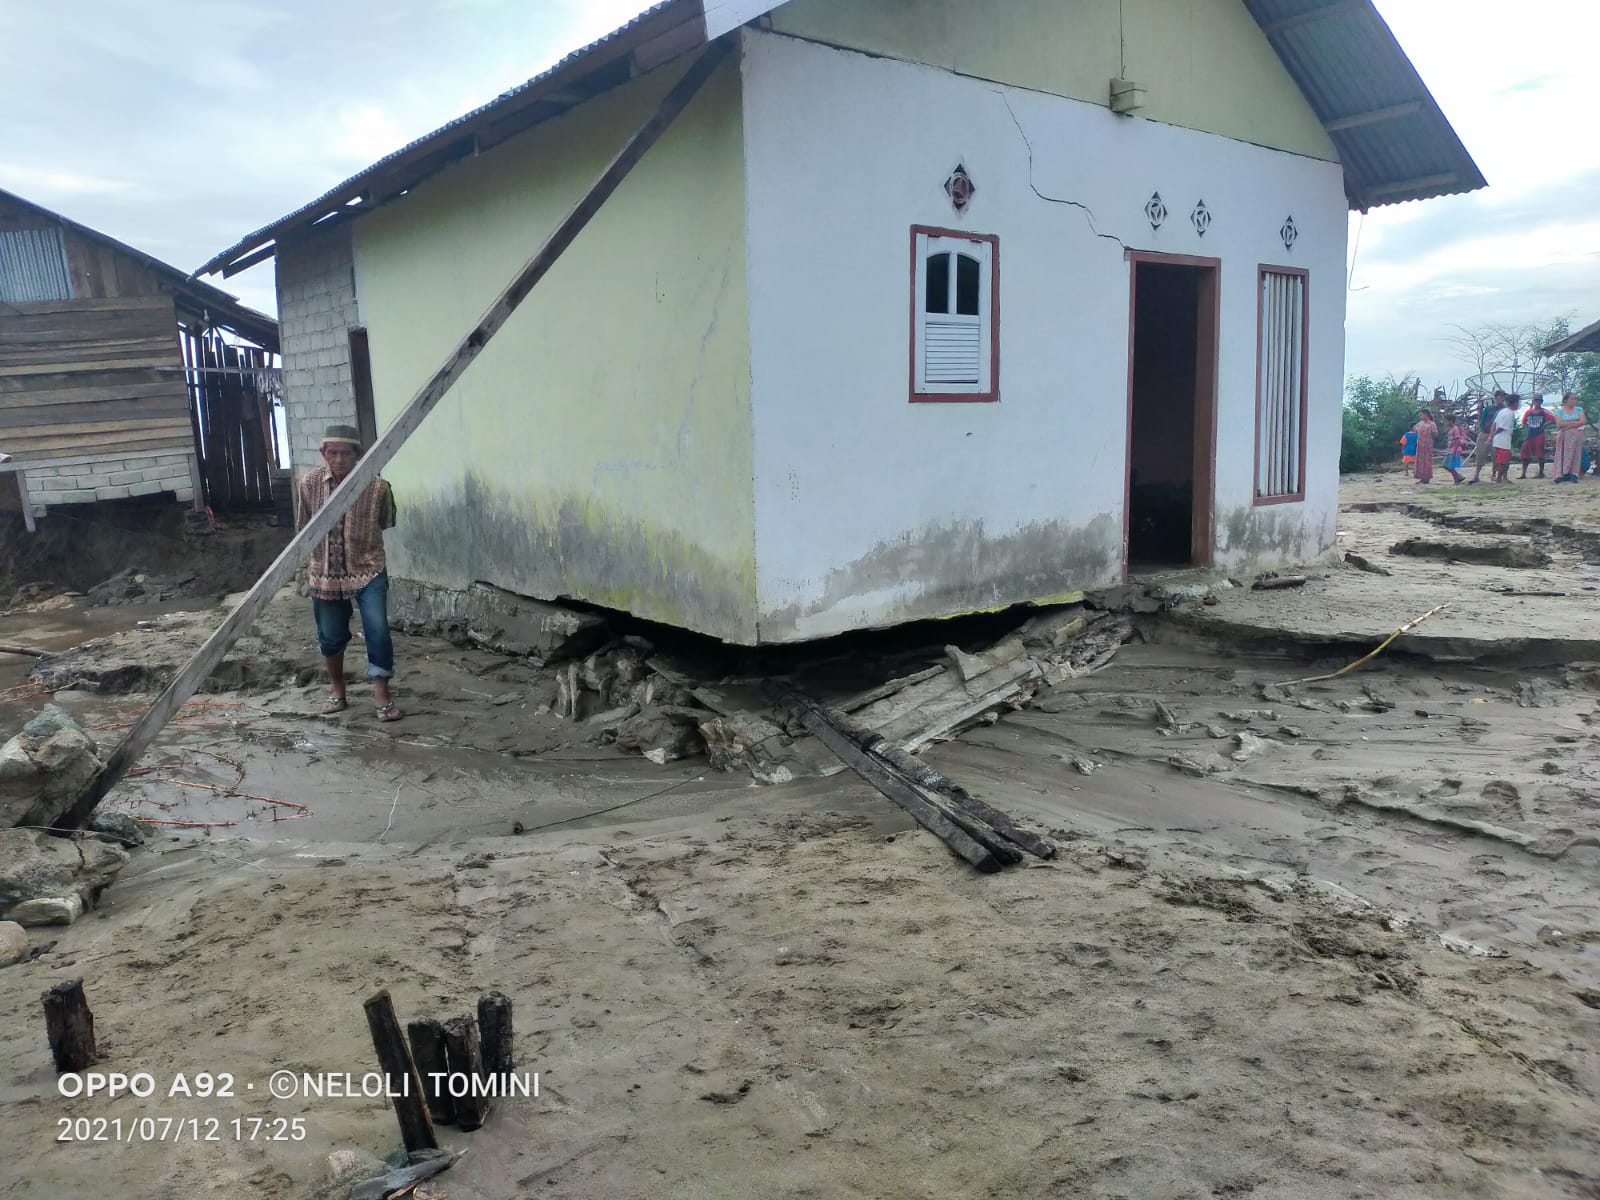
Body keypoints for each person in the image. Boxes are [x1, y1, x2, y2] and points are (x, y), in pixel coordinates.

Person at [297, 424, 402, 721]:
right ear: (323, 454)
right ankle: (337, 690)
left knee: (377, 629)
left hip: (368, 569)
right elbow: (303, 527)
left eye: (346, 453)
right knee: (330, 636)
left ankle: (381, 693)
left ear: (358, 455)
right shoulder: (308, 484)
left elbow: (386, 521)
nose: (339, 459)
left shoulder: (379, 487)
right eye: (332, 452)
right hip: (324, 572)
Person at [1468, 391, 1504, 484]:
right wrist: (1482, 430)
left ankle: (1494, 474)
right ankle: (1476, 475)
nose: (1501, 399)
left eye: (1502, 397)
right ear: (1495, 397)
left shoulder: (1504, 409)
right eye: (1500, 397)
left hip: (1498, 435)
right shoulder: (1488, 408)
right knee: (1480, 454)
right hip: (1485, 433)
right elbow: (1482, 421)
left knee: (1495, 456)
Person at [1552, 392, 1587, 484]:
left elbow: (1583, 421)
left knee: (1575, 454)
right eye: (1572, 398)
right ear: (1566, 400)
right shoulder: (1560, 411)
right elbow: (1559, 423)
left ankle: (1573, 474)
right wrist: (1574, 422)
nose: (1574, 401)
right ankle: (1561, 474)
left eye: (1575, 399)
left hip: (1575, 435)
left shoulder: (1579, 410)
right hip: (1563, 435)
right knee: (1562, 454)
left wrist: (1568, 426)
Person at [1489, 394, 1521, 483]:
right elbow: (1501, 427)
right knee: (1502, 460)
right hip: (1503, 439)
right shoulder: (1509, 413)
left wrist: (1492, 436)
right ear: (1515, 403)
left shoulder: (1502, 411)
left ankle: (1499, 476)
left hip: (1499, 439)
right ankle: (1499, 478)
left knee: (1500, 459)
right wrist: (1494, 434)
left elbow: (1494, 424)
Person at [1519, 394, 1549, 479]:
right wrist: (1527, 429)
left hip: (1539, 435)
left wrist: (1544, 426)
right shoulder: (1528, 412)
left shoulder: (1544, 412)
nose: (1537, 402)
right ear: (1533, 401)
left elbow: (1553, 419)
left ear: (1541, 402)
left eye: (1539, 400)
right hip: (1530, 435)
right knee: (1525, 454)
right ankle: (1523, 473)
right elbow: (1524, 422)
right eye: (1536, 400)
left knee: (1540, 454)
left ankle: (1541, 472)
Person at [1412, 408, 1437, 485]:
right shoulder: (1420, 423)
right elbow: (1414, 429)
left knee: (1427, 462)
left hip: (1428, 445)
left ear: (1426, 414)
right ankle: (1422, 478)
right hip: (1420, 445)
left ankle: (1427, 478)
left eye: (1421, 415)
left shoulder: (1432, 424)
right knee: (1420, 462)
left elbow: (1435, 434)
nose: (1420, 416)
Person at [1444, 416, 1470, 485]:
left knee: (1450, 466)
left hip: (1454, 450)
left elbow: (1457, 441)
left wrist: (1454, 451)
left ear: (1451, 421)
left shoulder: (1455, 429)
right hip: (1450, 449)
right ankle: (1458, 477)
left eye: (1446, 421)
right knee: (1445, 465)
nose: (1445, 423)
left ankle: (1457, 480)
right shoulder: (1452, 429)